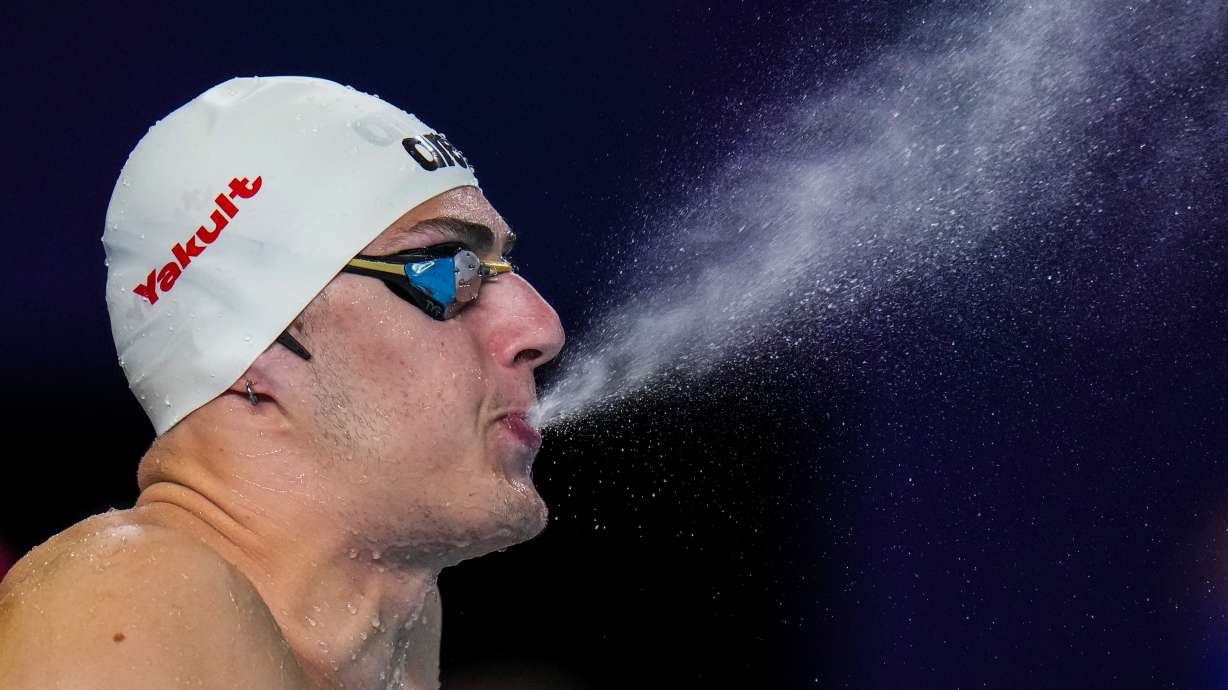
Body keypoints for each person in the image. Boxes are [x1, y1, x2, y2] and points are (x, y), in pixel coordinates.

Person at [0, 76, 565, 689]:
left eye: (500, 268)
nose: (542, 326)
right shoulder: (130, 598)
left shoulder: (391, 636)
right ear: (247, 345)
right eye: (446, 269)